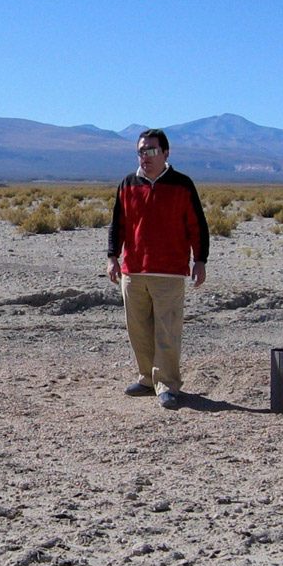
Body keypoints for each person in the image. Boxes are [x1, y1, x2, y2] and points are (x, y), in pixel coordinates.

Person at [107, 128, 209, 410]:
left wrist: (200, 260)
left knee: (167, 330)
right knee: (138, 328)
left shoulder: (182, 185)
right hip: (134, 270)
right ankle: (147, 378)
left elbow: (197, 225)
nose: (145, 156)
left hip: (169, 272)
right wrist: (112, 257)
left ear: (166, 153)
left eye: (151, 150)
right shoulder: (128, 184)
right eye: (141, 150)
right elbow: (119, 224)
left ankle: (167, 384)